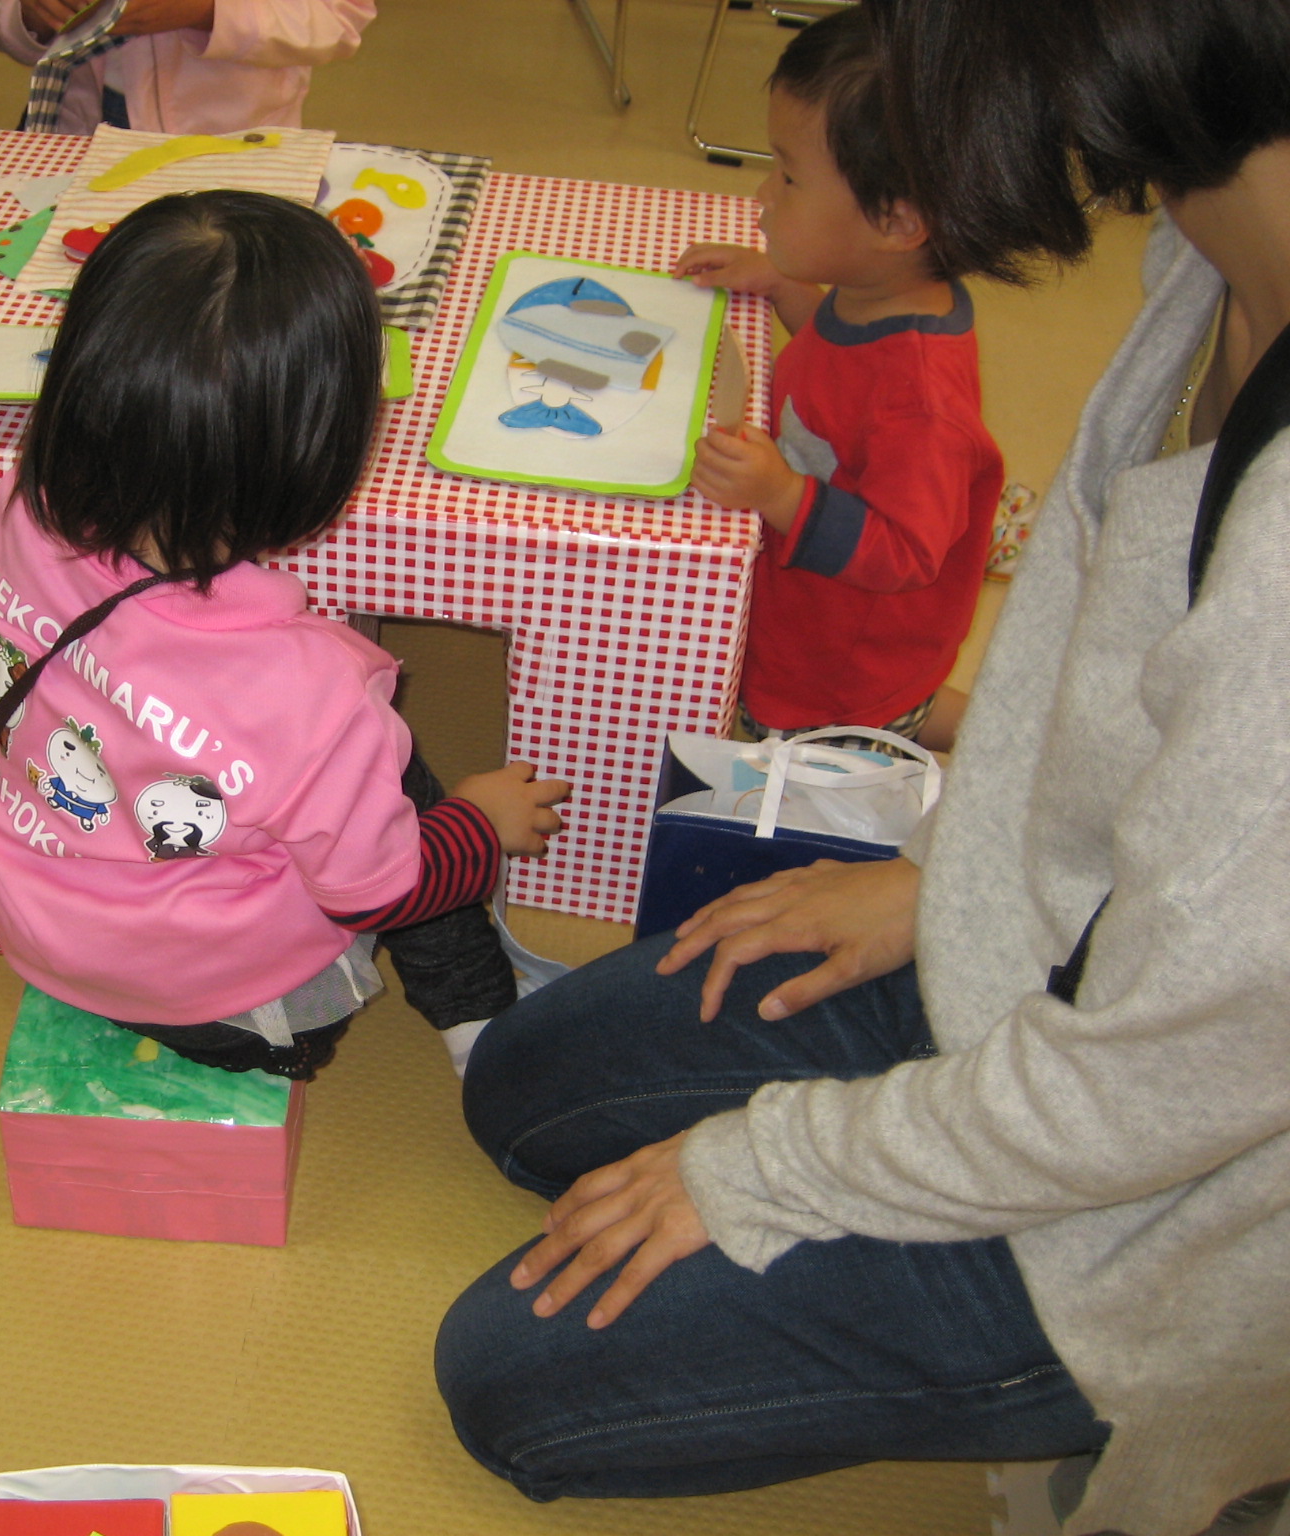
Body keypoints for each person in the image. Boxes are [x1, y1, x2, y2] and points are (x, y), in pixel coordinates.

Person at [434, 0, 1290, 1532]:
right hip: (1046, 982)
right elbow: (1109, 741)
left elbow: (1149, 1090)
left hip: (1150, 1219)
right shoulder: (1213, 252)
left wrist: (771, 1172)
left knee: (504, 1374)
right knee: (525, 1084)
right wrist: (939, 880)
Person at [0, 189, 568, 1080]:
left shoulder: (28, 508)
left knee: (341, 769)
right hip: (230, 1008)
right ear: (320, 450)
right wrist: (480, 824)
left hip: (42, 926)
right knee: (395, 768)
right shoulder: (315, 695)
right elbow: (381, 890)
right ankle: (478, 1022)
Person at [670, 7, 996, 751]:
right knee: (902, 699)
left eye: (788, 176)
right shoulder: (879, 289)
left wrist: (782, 493)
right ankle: (979, 723)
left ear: (896, 222)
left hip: (839, 665)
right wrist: (787, 290)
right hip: (835, 619)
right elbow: (843, 383)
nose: (761, 194)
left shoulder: (923, 400)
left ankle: (952, 734)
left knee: (854, 730)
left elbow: (908, 552)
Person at [0, 0, 373, 136]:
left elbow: (338, 20)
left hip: (230, 143)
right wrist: (28, 16)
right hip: (77, 131)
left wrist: (209, 12)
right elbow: (7, 28)